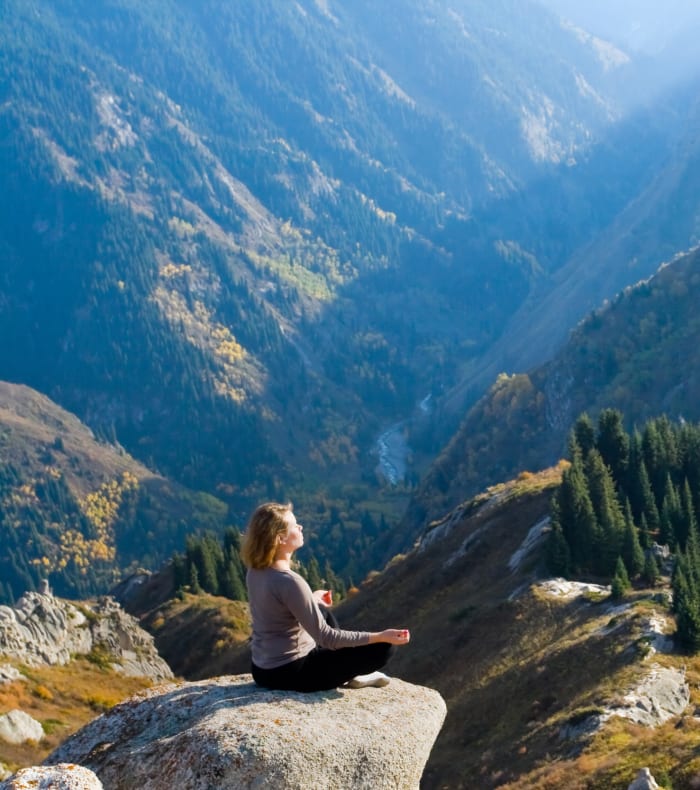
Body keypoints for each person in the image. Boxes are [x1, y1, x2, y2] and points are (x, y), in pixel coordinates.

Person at [241, 502, 410, 692]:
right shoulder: (290, 582)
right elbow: (327, 638)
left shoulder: (256, 571)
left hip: (262, 670)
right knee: (385, 648)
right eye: (294, 525)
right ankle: (351, 674)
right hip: (292, 673)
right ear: (280, 538)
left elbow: (275, 610)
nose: (300, 527)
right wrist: (380, 636)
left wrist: (311, 600)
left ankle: (347, 671)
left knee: (321, 611)